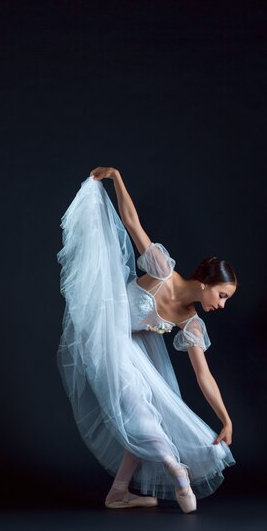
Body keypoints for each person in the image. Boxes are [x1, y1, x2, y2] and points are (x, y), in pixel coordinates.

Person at [57, 166, 238, 513]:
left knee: (149, 407)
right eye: (223, 294)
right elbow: (131, 221)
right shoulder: (161, 271)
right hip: (101, 331)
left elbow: (204, 377)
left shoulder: (191, 322)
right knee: (139, 407)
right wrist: (116, 177)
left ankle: (119, 492)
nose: (222, 304)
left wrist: (226, 418)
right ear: (205, 284)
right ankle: (174, 466)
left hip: (129, 347)